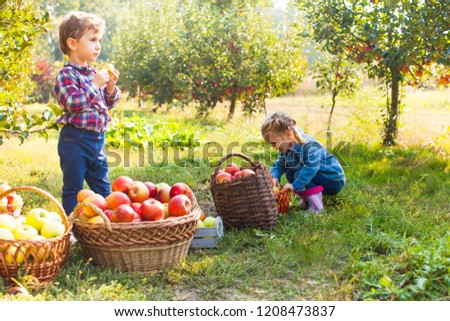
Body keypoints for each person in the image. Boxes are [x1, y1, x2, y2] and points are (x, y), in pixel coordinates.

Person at [54, 11, 120, 215]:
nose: (98, 45)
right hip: (75, 140)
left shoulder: (93, 73)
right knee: (74, 187)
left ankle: (109, 222)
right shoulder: (66, 75)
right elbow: (73, 103)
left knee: (103, 188)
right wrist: (95, 85)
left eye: (99, 40)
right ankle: (72, 227)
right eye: (92, 40)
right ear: (73, 44)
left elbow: (106, 104)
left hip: (96, 140)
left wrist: (109, 88)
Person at [261, 111, 345, 213]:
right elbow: (280, 164)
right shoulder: (286, 148)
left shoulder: (309, 145)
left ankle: (316, 207)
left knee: (298, 174)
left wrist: (295, 185)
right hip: (321, 176)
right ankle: (307, 200)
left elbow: (311, 167)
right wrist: (275, 177)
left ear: (288, 134)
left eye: (274, 142)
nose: (273, 146)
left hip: (332, 179)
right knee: (290, 173)